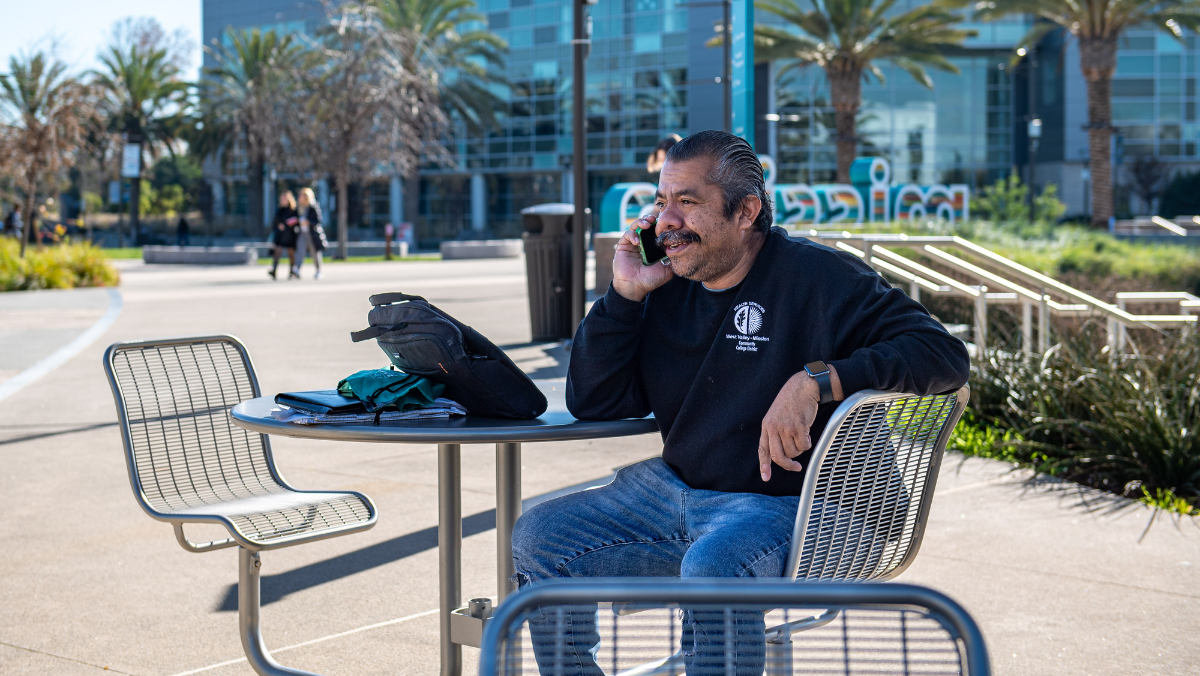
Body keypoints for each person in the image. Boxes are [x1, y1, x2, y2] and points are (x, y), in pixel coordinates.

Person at [510, 130, 970, 675]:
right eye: (661, 202)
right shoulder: (667, 285)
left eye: (688, 201)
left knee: (715, 566)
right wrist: (624, 296)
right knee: (541, 536)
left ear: (746, 210)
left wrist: (815, 382)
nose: (666, 222)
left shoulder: (819, 278)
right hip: (682, 496)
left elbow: (943, 355)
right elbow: (595, 400)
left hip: (813, 507)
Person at [293, 187, 327, 280]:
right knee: (300, 250)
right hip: (302, 233)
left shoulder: (313, 206)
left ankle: (318, 270)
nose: (299, 197)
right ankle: (296, 270)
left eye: (302, 196)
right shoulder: (299, 207)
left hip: (312, 233)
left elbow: (318, 220)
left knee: (314, 252)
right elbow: (296, 218)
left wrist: (308, 222)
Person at [268, 191, 299, 280]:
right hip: (280, 235)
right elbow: (274, 222)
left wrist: (288, 224)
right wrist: (278, 226)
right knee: (277, 252)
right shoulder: (279, 209)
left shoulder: (293, 210)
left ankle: (292, 271)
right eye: (281, 199)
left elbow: (297, 221)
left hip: (290, 234)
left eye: (284, 198)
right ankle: (274, 270)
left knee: (291, 253)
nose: (283, 200)